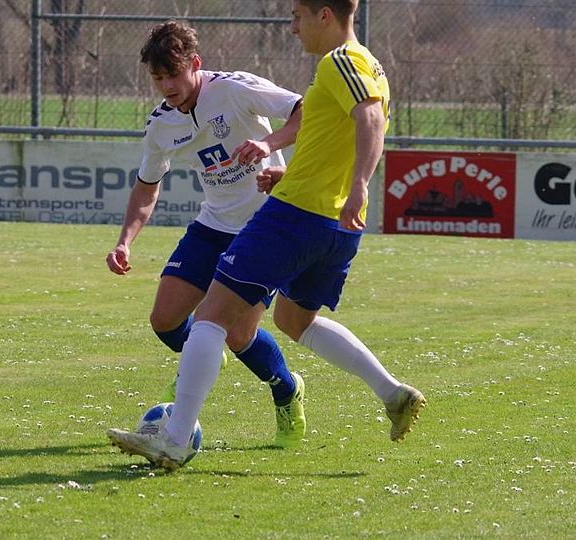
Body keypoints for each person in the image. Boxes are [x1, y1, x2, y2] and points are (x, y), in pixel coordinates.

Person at [107, 0, 425, 471]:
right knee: (294, 321)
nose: (292, 26)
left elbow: (367, 118)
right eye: (158, 78)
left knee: (215, 320)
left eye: (298, 15)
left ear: (324, 15)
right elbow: (331, 137)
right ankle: (392, 392)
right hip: (321, 218)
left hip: (288, 217)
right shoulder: (367, 64)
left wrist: (356, 183)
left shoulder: (339, 61)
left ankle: (176, 438)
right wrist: (295, 176)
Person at [105, 21, 307, 448]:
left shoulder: (234, 89)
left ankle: (287, 390)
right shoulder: (161, 124)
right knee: (164, 321)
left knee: (239, 336)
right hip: (213, 224)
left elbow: (304, 110)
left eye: (174, 75)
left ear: (194, 64)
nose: (167, 87)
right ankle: (203, 351)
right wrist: (125, 241)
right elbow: (147, 185)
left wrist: (269, 145)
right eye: (158, 78)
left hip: (265, 226)